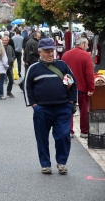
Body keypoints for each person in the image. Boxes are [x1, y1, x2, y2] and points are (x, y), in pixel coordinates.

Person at [24, 38, 77, 174]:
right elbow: (27, 87)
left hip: (62, 107)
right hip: (42, 109)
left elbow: (72, 83)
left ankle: (62, 162)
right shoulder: (33, 68)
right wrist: (34, 105)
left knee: (63, 135)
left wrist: (71, 102)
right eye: (47, 51)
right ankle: (45, 164)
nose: (50, 54)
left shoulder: (63, 66)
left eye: (52, 51)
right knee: (42, 138)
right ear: (40, 52)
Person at [62, 37, 95, 138]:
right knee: (84, 110)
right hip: (82, 88)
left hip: (68, 87)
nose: (88, 47)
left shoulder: (66, 54)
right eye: (87, 45)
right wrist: (91, 88)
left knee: (69, 110)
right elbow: (89, 74)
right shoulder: (86, 56)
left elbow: (62, 72)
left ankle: (69, 131)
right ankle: (84, 131)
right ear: (82, 44)